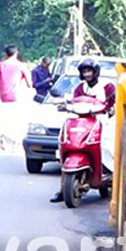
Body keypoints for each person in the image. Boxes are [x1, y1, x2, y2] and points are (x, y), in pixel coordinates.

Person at [50, 59, 116, 202]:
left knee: (105, 143)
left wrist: (109, 108)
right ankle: (63, 189)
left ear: (96, 72)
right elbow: (74, 101)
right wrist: (65, 105)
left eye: (89, 71)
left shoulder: (107, 87)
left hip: (103, 120)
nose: (87, 74)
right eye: (84, 71)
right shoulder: (80, 88)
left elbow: (112, 103)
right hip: (83, 120)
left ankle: (108, 171)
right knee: (65, 142)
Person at [0, 45, 32, 151]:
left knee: (4, 119)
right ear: (16, 53)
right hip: (17, 96)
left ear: (6, 54)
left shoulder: (0, 65)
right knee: (17, 120)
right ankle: (14, 144)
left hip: (3, 97)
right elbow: (30, 84)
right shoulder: (21, 66)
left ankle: (2, 137)